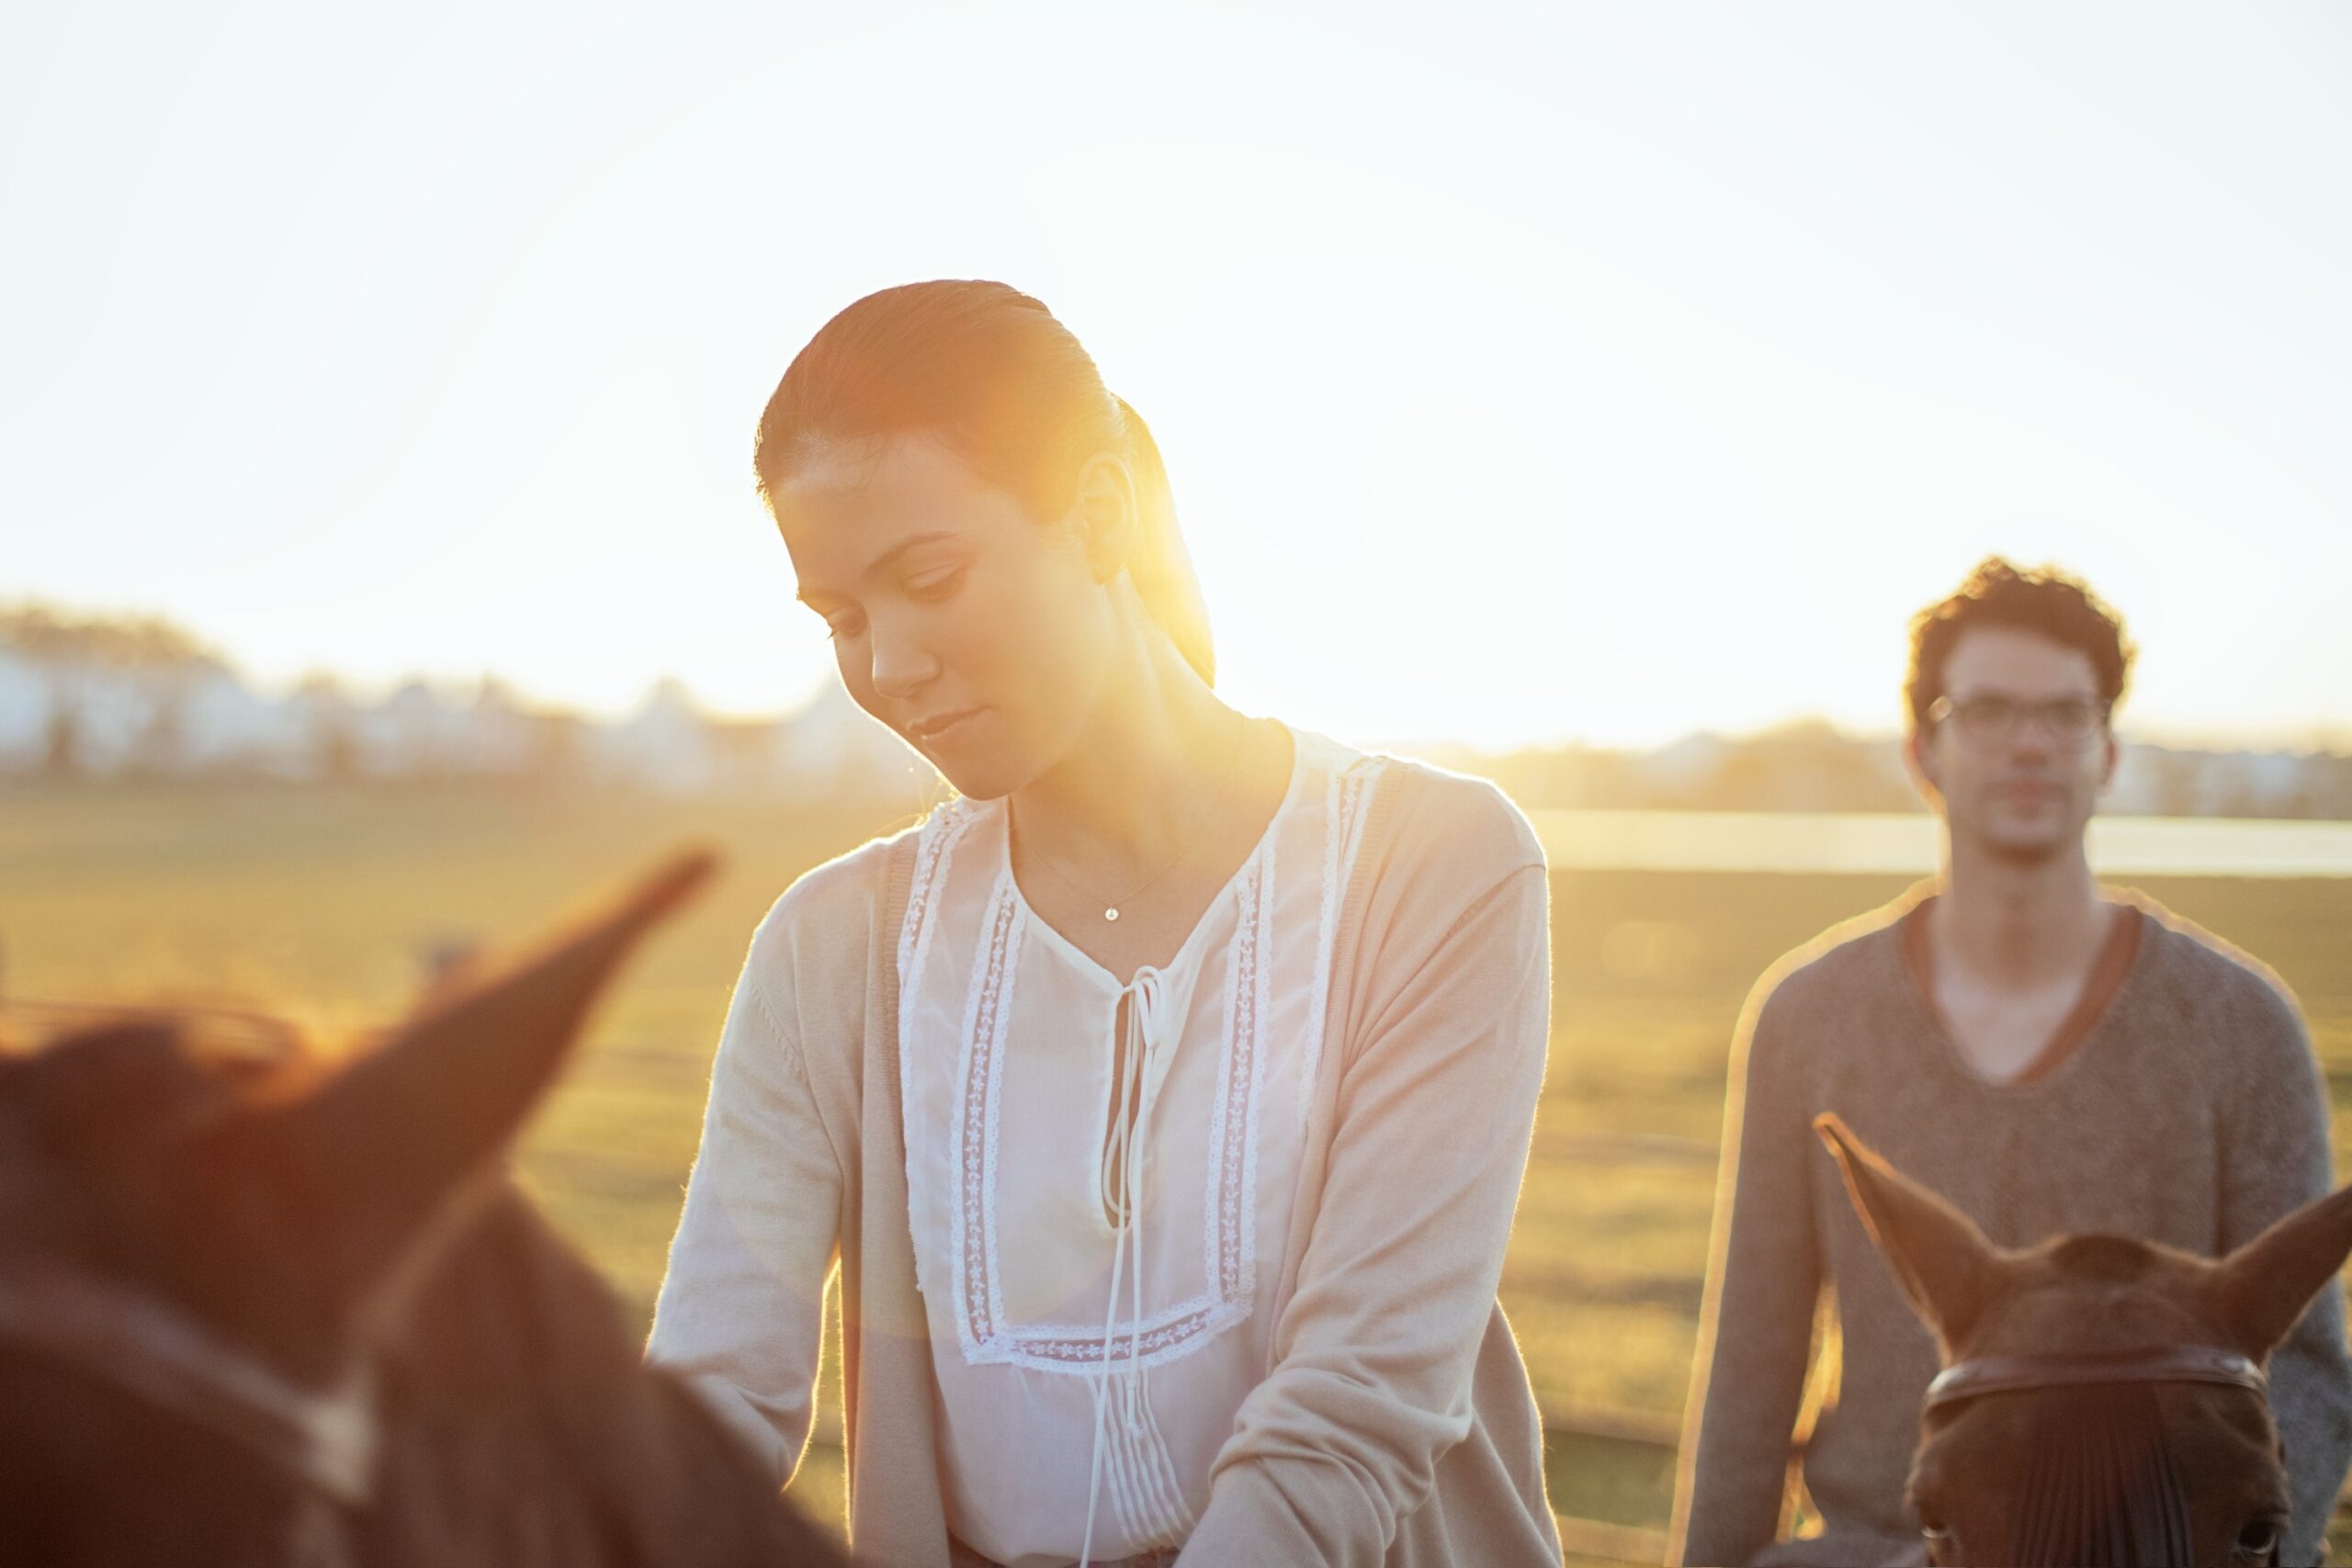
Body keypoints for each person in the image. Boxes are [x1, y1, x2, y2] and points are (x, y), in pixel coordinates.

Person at [646, 280, 1562, 1568]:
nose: (888, 662)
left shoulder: (1438, 865)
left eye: (928, 575)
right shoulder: (827, 951)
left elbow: (1354, 1411)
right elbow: (708, 1404)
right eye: (843, 619)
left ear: (1099, 515)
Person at [1670, 558, 2352, 1565]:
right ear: (1923, 750)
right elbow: (1753, 1363)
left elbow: (2301, 1361)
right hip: (1879, 1546)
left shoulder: (2240, 1022)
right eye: (1987, 709)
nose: (2030, 742)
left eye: (2065, 713)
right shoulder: (1807, 1016)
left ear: (2108, 752)